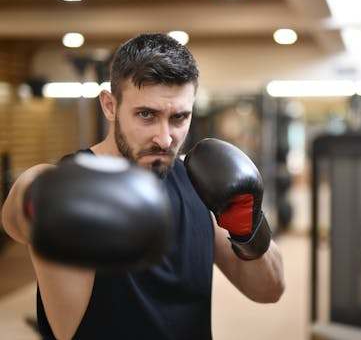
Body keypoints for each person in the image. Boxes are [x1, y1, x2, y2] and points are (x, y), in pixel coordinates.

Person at [1, 33, 285, 339]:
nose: (164, 139)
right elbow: (16, 216)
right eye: (146, 115)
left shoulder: (200, 181)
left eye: (179, 117)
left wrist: (250, 230)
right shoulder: (69, 183)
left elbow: (269, 290)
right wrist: (37, 198)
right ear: (110, 106)